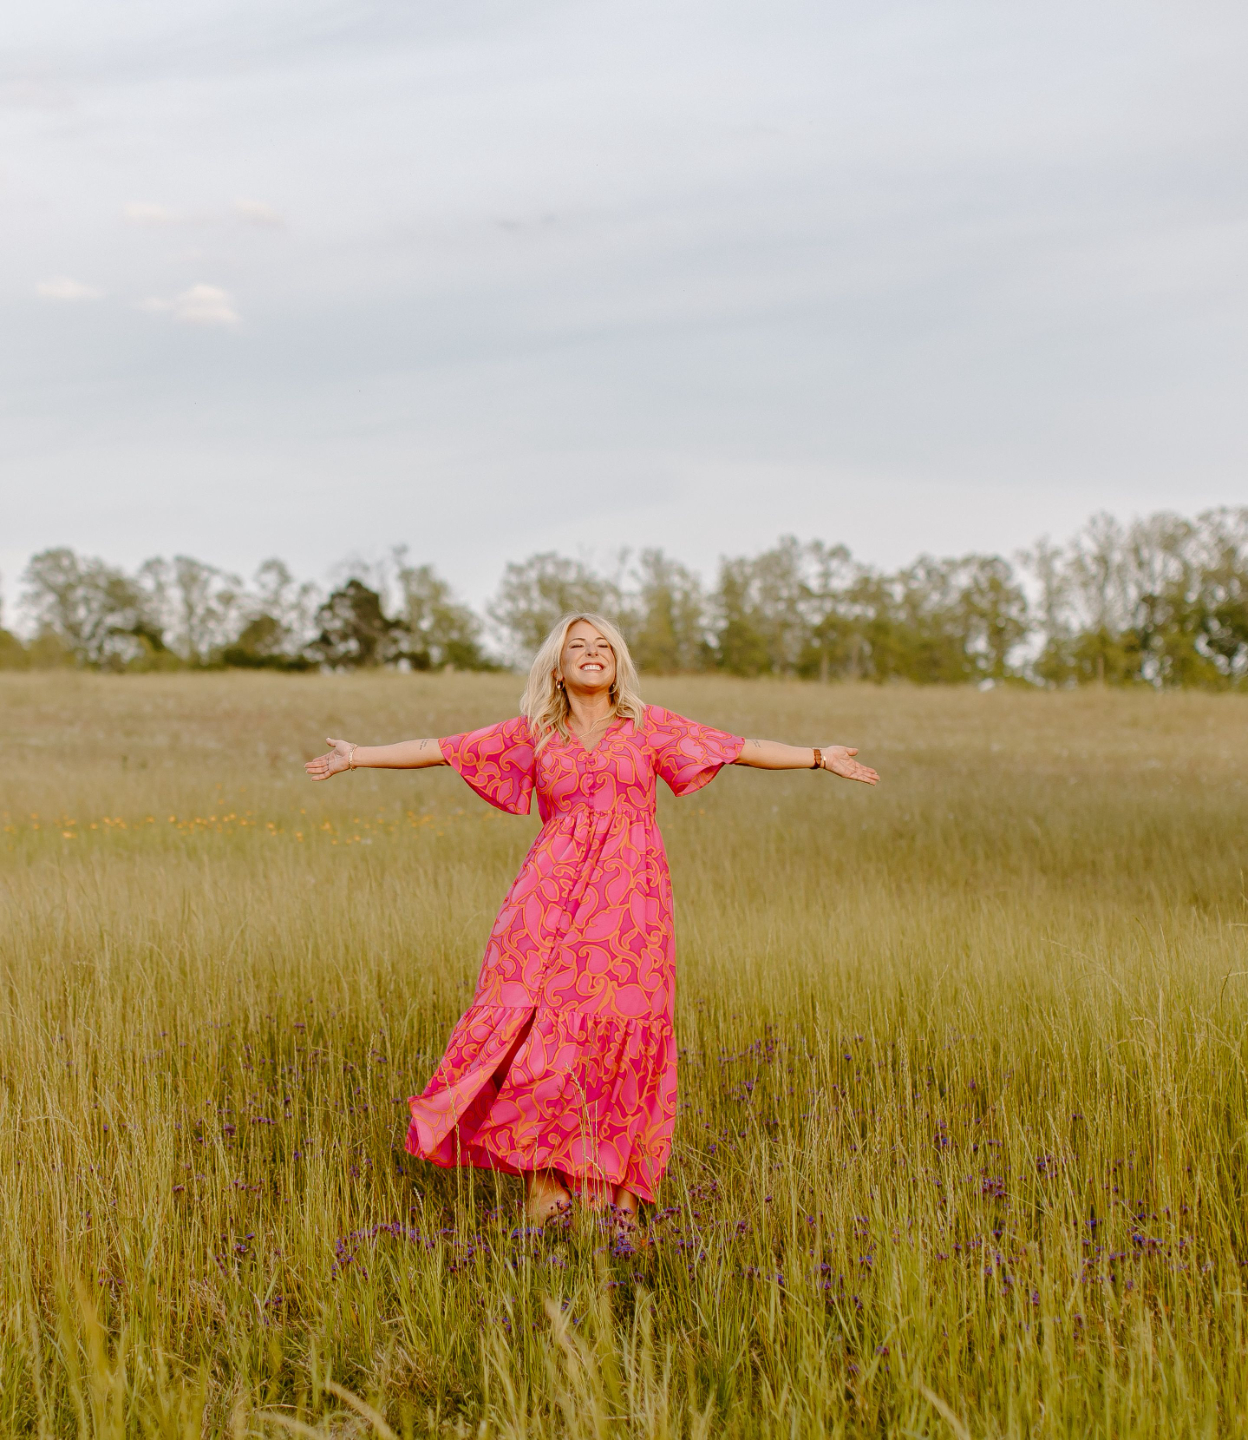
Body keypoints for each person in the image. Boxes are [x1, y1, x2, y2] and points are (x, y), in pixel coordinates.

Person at [305, 613, 878, 1238]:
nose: (592, 652)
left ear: (618, 662)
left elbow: (739, 747)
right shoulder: (535, 733)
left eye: (603, 645)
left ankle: (616, 1193)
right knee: (531, 1024)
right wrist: (355, 757)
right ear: (557, 665)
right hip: (545, 898)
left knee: (623, 1029)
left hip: (630, 903)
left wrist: (819, 757)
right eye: (577, 645)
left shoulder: (648, 725)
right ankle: (544, 1184)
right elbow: (439, 749)